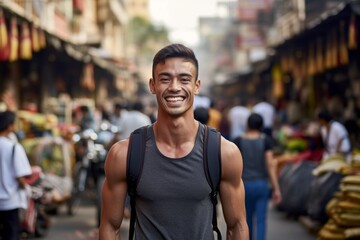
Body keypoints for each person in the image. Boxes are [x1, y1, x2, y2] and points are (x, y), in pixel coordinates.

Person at [99, 44, 249, 239]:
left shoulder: (223, 153)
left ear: (196, 86)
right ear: (153, 85)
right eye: (165, 79)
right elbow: (110, 227)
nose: (174, 87)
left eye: (184, 79)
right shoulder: (124, 154)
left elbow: (237, 226)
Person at [232, 113, 282, 240]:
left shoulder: (238, 140)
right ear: (261, 126)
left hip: (243, 186)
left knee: (246, 220)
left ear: (247, 124)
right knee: (261, 220)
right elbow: (270, 165)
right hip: (261, 185)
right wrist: (276, 188)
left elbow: (233, 166)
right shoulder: (266, 140)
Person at [0, 111, 32, 240]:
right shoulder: (13, 147)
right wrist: (26, 188)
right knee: (10, 235)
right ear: (10, 126)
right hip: (9, 202)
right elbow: (20, 176)